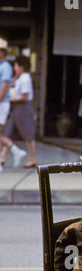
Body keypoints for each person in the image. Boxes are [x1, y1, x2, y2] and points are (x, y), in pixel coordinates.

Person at [0, 56, 37, 168]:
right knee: (9, 133)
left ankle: (32, 158)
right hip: (16, 109)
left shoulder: (25, 78)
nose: (15, 68)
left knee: (28, 135)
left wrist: (11, 99)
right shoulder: (19, 78)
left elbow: (25, 96)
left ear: (21, 67)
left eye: (16, 66)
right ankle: (3, 157)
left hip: (23, 108)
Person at [0, 38, 27, 172]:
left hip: (1, 103)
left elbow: (4, 87)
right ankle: (14, 151)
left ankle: (14, 151)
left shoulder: (5, 67)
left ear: (2, 52)